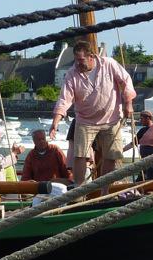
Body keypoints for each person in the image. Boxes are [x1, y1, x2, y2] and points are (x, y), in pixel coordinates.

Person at [48, 40, 136, 183]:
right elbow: (65, 99)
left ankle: (104, 192)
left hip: (111, 117)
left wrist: (128, 103)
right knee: (80, 154)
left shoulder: (109, 64)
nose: (78, 63)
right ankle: (79, 190)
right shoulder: (72, 74)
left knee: (111, 155)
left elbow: (126, 81)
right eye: (76, 60)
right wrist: (55, 122)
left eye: (81, 60)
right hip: (85, 120)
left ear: (91, 56)